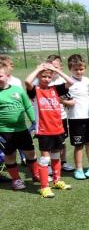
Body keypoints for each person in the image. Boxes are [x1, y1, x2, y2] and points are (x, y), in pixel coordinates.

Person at [24, 62, 75, 198]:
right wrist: (38, 69)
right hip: (44, 130)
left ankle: (57, 181)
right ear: (39, 76)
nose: (46, 79)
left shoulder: (55, 89)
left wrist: (56, 70)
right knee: (45, 159)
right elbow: (27, 81)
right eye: (43, 76)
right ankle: (44, 187)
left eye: (49, 77)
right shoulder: (35, 90)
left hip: (58, 129)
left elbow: (71, 82)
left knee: (56, 156)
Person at [0, 59, 39, 190]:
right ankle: (16, 180)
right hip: (4, 131)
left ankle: (36, 174)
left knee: (31, 153)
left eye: (0, 76)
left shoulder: (18, 90)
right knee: (10, 155)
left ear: (7, 76)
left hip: (22, 130)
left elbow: (28, 106)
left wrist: (35, 122)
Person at [66, 54, 89, 179]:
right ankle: (79, 169)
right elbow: (62, 98)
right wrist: (65, 102)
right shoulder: (68, 82)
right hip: (75, 118)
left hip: (88, 117)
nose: (79, 72)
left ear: (85, 68)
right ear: (70, 69)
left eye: (81, 69)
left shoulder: (87, 80)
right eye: (76, 69)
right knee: (78, 145)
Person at [47, 54, 76, 172]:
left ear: (61, 68)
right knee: (48, 142)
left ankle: (63, 162)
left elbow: (71, 101)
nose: (53, 70)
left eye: (55, 67)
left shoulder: (62, 82)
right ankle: (49, 165)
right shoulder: (44, 80)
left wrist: (61, 101)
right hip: (47, 118)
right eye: (50, 67)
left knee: (62, 140)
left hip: (61, 116)